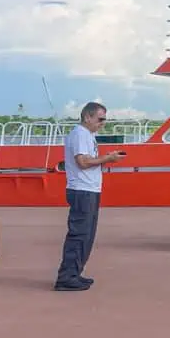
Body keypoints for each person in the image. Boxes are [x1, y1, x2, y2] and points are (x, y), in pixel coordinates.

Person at [53, 102, 126, 291]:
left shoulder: (87, 135)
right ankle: (67, 277)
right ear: (88, 117)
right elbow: (83, 162)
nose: (102, 123)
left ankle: (74, 273)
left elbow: (87, 161)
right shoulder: (80, 134)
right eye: (100, 119)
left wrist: (106, 158)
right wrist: (108, 159)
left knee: (87, 235)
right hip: (82, 190)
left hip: (89, 189)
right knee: (79, 234)